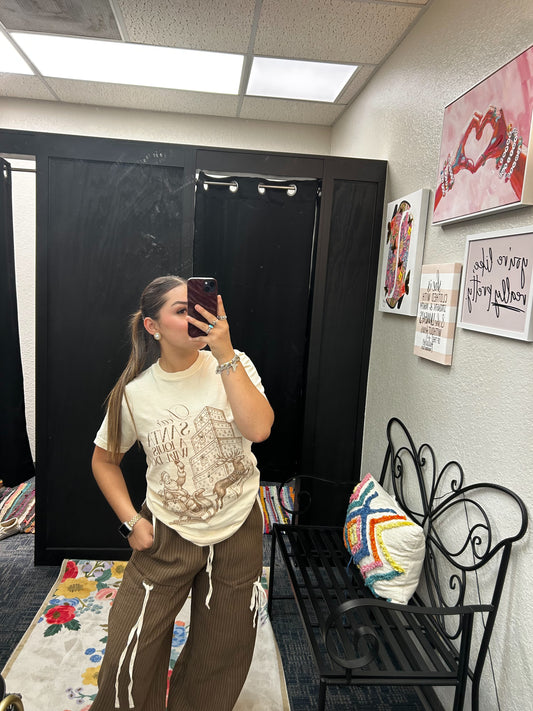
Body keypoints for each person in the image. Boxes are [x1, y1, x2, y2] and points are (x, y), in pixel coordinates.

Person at [90, 275, 274, 711]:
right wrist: (131, 522)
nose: (194, 315)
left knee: (222, 649)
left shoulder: (235, 365)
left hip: (237, 528)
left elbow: (259, 429)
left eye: (197, 305)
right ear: (152, 326)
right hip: (166, 532)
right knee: (128, 648)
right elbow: (103, 461)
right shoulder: (135, 395)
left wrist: (225, 354)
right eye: (180, 309)